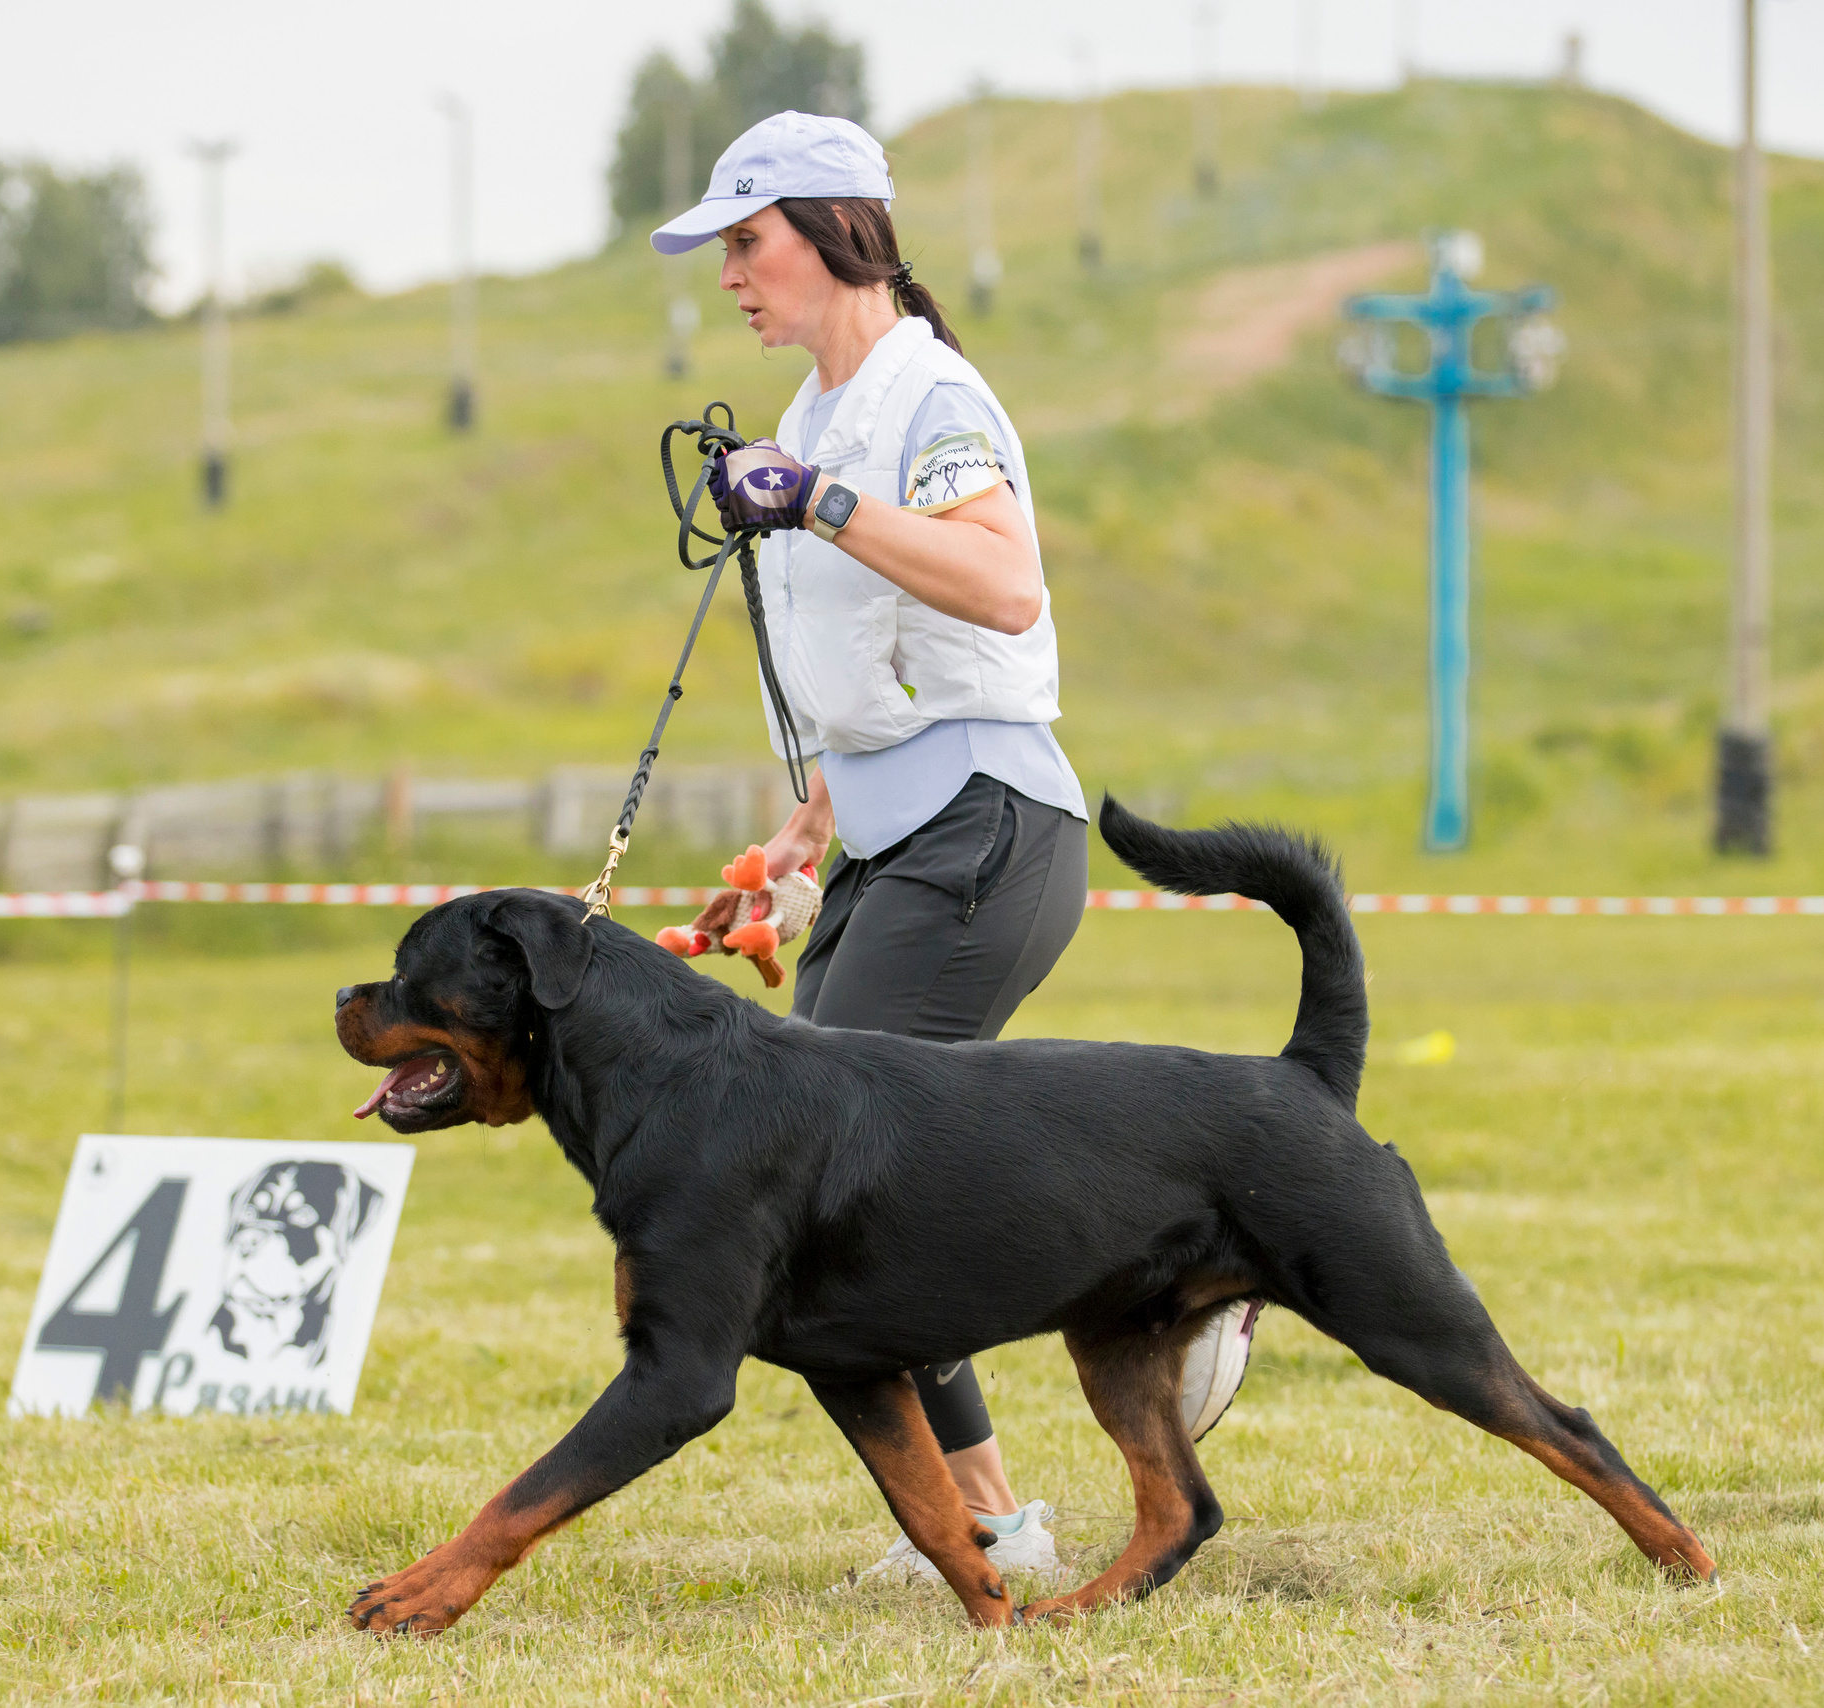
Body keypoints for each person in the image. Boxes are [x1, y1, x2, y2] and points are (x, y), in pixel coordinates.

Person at [651, 110, 1218, 1585]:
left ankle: (1179, 1293)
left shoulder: (927, 393)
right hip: (893, 836)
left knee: (830, 1184)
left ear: (838, 229)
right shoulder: (807, 420)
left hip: (988, 832)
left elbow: (1003, 592)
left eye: (747, 237)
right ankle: (999, 1524)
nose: (728, 272)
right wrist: (798, 837)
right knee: (837, 1190)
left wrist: (822, 506)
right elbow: (870, 674)